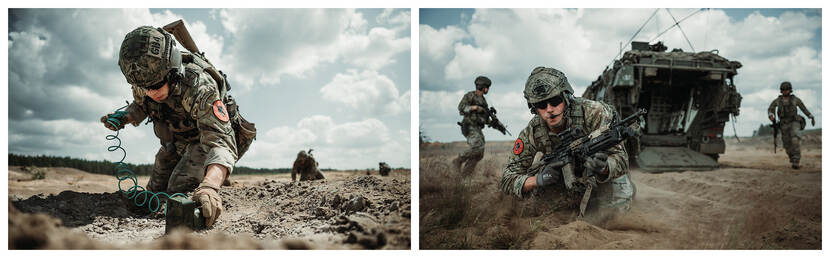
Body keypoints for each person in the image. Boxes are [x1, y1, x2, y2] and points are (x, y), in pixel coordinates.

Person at [101, 26, 240, 227]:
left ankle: (204, 184)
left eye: (156, 86)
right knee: (154, 192)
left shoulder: (199, 87)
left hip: (204, 142)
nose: (151, 92)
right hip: (175, 143)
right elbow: (141, 104)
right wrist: (124, 117)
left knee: (177, 190)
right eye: (145, 88)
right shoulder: (145, 79)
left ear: (173, 71)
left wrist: (210, 187)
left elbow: (221, 142)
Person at [499, 66, 635, 216]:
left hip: (601, 179)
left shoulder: (594, 112)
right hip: (561, 181)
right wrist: (538, 180)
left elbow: (622, 159)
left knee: (616, 216)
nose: (549, 109)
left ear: (566, 97)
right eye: (541, 105)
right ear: (534, 109)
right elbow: (507, 179)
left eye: (555, 101)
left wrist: (604, 168)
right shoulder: (533, 131)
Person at [768, 81, 815, 169]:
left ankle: (796, 160)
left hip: (794, 122)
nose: (785, 91)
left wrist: (810, 116)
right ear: (781, 91)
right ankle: (792, 158)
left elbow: (803, 108)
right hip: (783, 124)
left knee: (795, 139)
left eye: (787, 90)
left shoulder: (795, 99)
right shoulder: (777, 101)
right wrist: (771, 115)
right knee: (786, 144)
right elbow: (771, 108)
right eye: (784, 90)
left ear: (790, 90)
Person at [452, 76, 494, 174]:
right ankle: (458, 160)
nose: (487, 89)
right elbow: (461, 107)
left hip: (477, 128)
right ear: (480, 86)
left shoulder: (483, 101)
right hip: (469, 125)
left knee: (479, 154)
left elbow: (485, 119)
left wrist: (494, 123)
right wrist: (474, 107)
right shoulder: (470, 96)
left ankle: (466, 175)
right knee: (477, 147)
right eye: (486, 87)